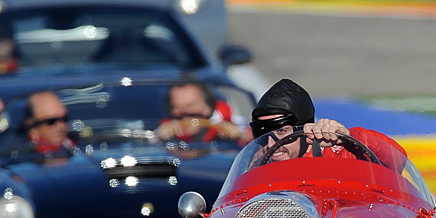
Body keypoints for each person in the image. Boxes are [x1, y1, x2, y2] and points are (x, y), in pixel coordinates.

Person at [249, 78, 407, 170]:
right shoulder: (255, 163)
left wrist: (349, 137)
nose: (271, 144)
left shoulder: (340, 154)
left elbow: (398, 159)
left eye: (282, 131)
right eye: (263, 134)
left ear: (305, 128)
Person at [156, 82, 248, 143]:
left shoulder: (232, 123)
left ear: (208, 108)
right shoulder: (163, 130)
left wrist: (239, 136)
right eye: (176, 107)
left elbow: (255, 143)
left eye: (190, 106)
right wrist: (158, 138)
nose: (183, 112)